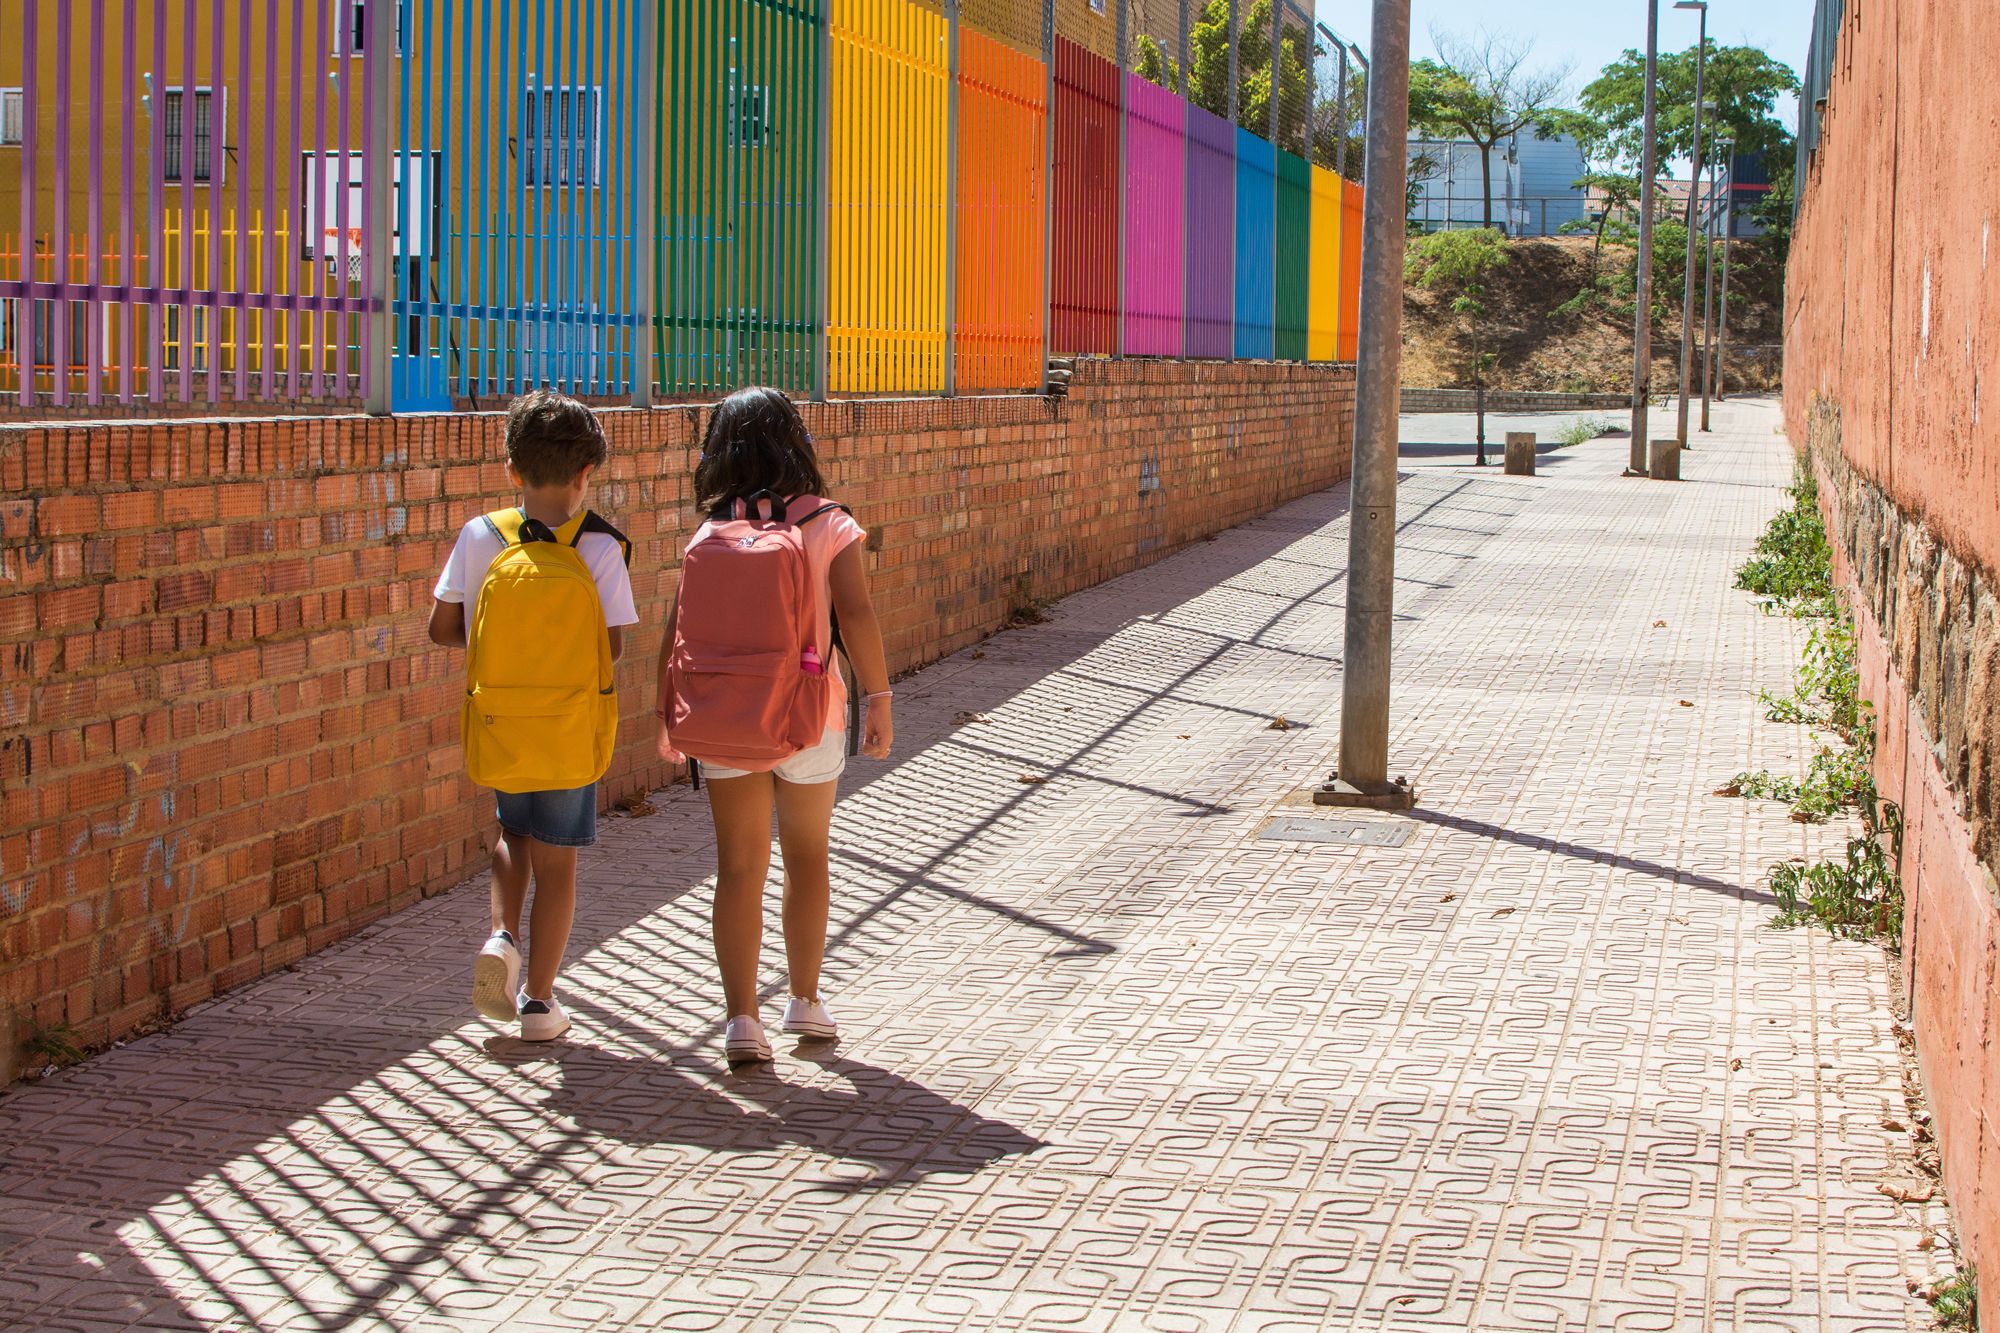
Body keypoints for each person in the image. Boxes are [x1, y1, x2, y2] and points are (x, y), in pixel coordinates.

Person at [657, 386, 893, 1067]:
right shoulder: (829, 522)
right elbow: (858, 614)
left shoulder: (709, 532)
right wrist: (878, 696)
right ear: (798, 443)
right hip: (812, 713)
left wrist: (665, 716)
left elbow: (677, 633)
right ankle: (805, 998)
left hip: (727, 714)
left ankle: (740, 1019)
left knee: (737, 866)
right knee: (807, 855)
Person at [428, 389, 638, 1041]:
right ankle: (541, 1003)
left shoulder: (479, 535)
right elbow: (613, 645)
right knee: (558, 862)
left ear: (512, 470)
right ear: (586, 475)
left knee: (509, 832)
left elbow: (442, 628)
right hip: (571, 725)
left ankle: (499, 936)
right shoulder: (601, 545)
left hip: (504, 718)